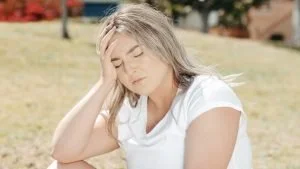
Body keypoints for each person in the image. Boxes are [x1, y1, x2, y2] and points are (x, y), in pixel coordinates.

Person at [47, 3, 252, 169]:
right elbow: (63, 151)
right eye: (117, 63)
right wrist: (104, 83)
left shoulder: (208, 97)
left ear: (163, 45)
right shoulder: (132, 111)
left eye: (137, 53)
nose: (130, 68)